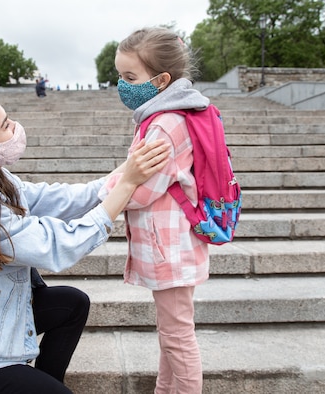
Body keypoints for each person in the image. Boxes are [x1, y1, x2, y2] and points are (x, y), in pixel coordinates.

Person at [0, 87, 170, 394]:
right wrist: (128, 185)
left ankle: (46, 383)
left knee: (71, 304)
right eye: (5, 126)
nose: (15, 128)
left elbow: (62, 199)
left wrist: (130, 163)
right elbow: (60, 246)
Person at [98, 27, 211, 393]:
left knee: (178, 337)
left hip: (170, 250)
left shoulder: (164, 124)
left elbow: (141, 191)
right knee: (171, 333)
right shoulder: (166, 115)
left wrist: (105, 192)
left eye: (130, 77)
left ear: (161, 80)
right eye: (120, 75)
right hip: (172, 247)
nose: (122, 85)